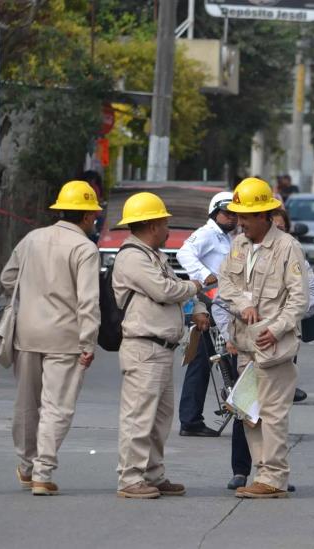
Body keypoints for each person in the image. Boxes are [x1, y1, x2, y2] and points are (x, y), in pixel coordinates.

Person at [0, 180, 102, 496]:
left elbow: (7, 279)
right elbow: (88, 301)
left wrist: (32, 296)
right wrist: (88, 342)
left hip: (27, 333)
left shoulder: (32, 238)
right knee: (57, 407)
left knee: (27, 404)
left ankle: (27, 467)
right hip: (65, 337)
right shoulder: (85, 248)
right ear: (86, 217)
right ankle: (43, 473)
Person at [216, 207, 314, 491]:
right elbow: (225, 282)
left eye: (247, 217)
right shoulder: (239, 244)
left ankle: (274, 476)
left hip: (274, 348)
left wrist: (275, 330)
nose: (240, 223)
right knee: (248, 412)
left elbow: (299, 300)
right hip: (245, 345)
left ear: (265, 216)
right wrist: (244, 304)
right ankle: (263, 473)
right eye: (238, 216)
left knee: (273, 414)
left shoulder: (288, 247)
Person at [112, 192, 209, 499]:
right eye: (165, 222)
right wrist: (194, 285)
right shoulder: (132, 257)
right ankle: (130, 478)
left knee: (159, 418)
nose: (168, 228)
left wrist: (196, 306)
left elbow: (171, 290)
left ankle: (153, 473)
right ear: (153, 224)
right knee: (139, 416)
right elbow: (165, 289)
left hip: (160, 348)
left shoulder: (153, 255)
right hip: (144, 348)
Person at [176, 192, 237, 437]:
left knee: (222, 359)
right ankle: (190, 420)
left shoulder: (230, 236)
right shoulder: (207, 233)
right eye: (226, 213)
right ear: (214, 212)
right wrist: (203, 275)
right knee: (201, 362)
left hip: (226, 306)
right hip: (208, 305)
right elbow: (184, 253)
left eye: (235, 213)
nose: (231, 217)